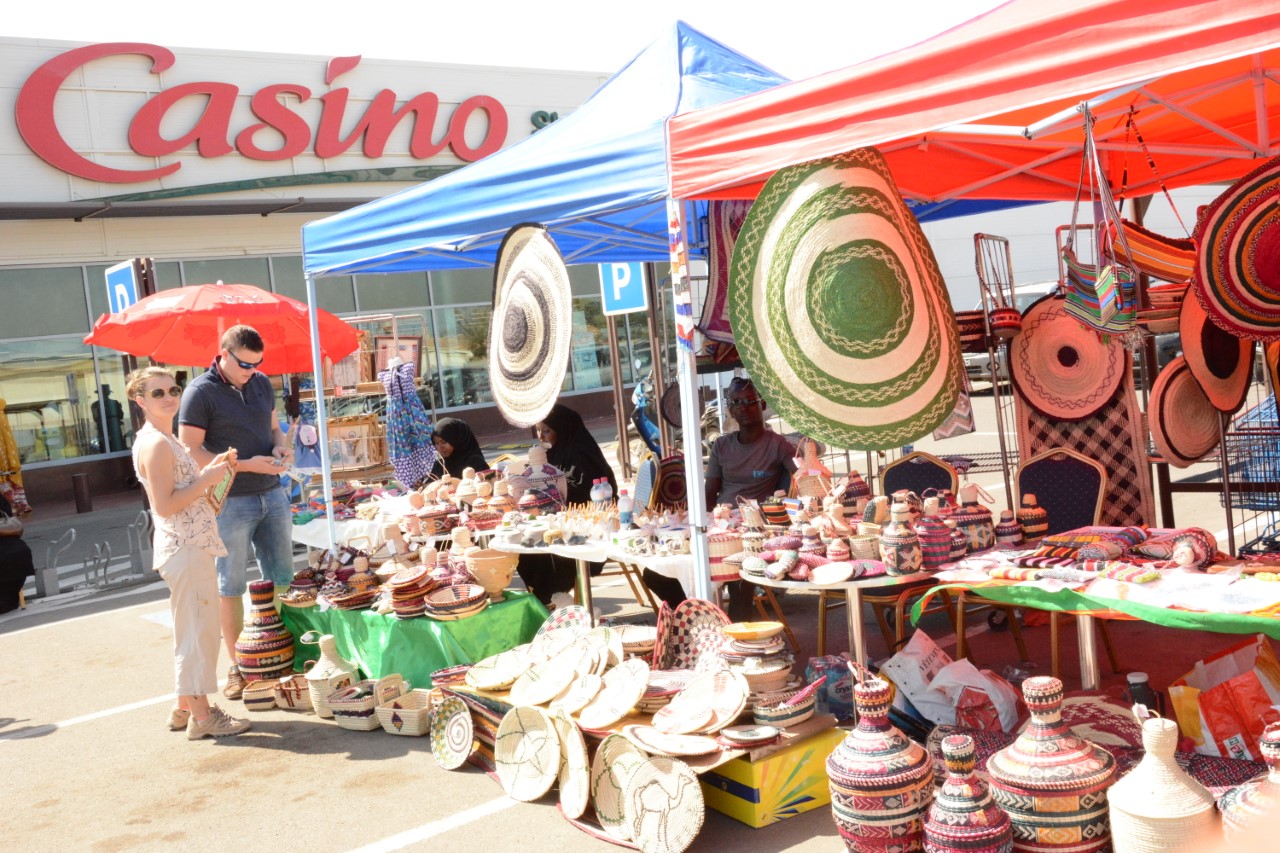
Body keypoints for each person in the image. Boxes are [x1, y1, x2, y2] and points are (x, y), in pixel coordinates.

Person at [128, 366, 250, 739]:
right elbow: (164, 505)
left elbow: (179, 491)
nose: (168, 397)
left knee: (193, 629)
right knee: (199, 633)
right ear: (140, 401)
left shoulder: (164, 439)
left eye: (173, 389)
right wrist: (207, 480)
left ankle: (185, 707)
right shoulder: (156, 443)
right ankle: (202, 717)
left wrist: (209, 472)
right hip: (185, 546)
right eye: (157, 393)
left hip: (186, 545)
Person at [178, 325, 294, 701]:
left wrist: (281, 449)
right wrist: (245, 465)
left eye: (258, 363)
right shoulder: (200, 391)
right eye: (244, 364)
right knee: (230, 587)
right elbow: (189, 452)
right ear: (223, 354)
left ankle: (278, 656)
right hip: (229, 501)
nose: (251, 370)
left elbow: (274, 428)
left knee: (282, 578)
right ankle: (240, 667)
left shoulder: (261, 383)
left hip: (272, 494)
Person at [643, 378, 797, 619]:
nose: (742, 408)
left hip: (751, 531)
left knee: (739, 581)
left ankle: (736, 643)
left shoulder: (777, 444)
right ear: (730, 409)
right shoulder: (722, 446)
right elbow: (708, 495)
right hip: (718, 525)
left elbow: (801, 469)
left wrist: (809, 457)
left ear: (762, 404)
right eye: (736, 403)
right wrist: (699, 527)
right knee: (654, 574)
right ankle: (697, 619)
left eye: (748, 401)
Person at [516, 403, 618, 606]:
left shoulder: (581, 454)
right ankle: (545, 601)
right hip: (562, 524)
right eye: (539, 431)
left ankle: (551, 599)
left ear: (562, 429)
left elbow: (585, 496)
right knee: (526, 550)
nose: (542, 437)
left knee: (539, 554)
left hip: (588, 533)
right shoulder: (556, 453)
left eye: (547, 431)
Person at [0, 490, 34, 614]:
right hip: (10, 546)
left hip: (8, 544)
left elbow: (6, 514)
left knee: (16, 553)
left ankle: (7, 601)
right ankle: (8, 601)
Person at [92, 384, 126, 452]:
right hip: (111, 429)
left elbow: (95, 418)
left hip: (110, 429)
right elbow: (121, 415)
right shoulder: (113, 403)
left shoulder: (95, 405)